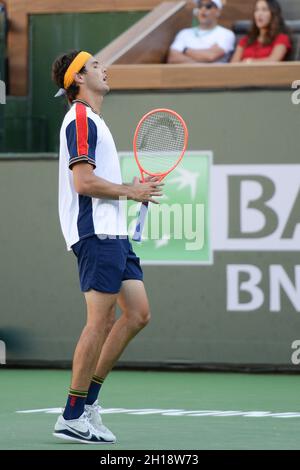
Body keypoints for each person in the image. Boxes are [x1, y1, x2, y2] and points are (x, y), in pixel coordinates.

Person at [51, 50, 163, 444]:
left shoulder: (95, 120)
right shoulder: (80, 118)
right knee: (99, 322)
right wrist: (129, 191)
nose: (104, 69)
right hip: (96, 233)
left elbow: (101, 183)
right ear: (78, 79)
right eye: (95, 65)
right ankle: (70, 415)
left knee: (137, 313)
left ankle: (89, 404)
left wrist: (132, 191)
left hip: (113, 231)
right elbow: (82, 183)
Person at [167, 0, 235, 64]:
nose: (203, 9)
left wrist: (184, 50)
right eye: (200, 6)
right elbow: (173, 58)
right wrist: (202, 62)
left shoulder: (226, 34)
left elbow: (211, 56)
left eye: (208, 6)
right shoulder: (184, 33)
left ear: (218, 12)